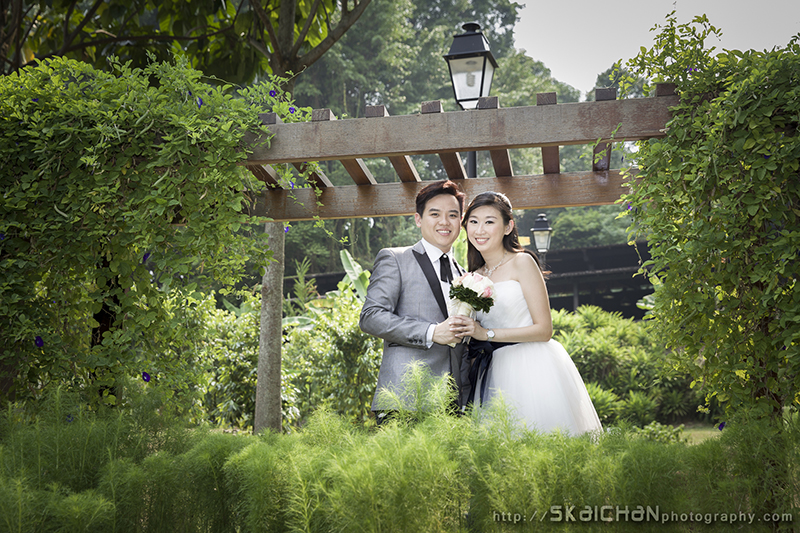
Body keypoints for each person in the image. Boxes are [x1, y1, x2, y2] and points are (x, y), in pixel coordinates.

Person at [450, 191, 602, 435]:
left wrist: (484, 333)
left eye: (490, 222)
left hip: (530, 365)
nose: (480, 230)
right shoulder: (473, 275)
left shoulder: (522, 262)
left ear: (509, 226)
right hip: (490, 369)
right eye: (474, 221)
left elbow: (544, 330)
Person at [359, 180, 468, 422]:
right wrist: (431, 332)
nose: (444, 222)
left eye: (453, 215)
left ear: (460, 221)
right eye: (435, 214)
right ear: (418, 219)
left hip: (451, 402)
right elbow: (370, 316)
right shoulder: (395, 259)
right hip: (404, 397)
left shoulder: (465, 274)